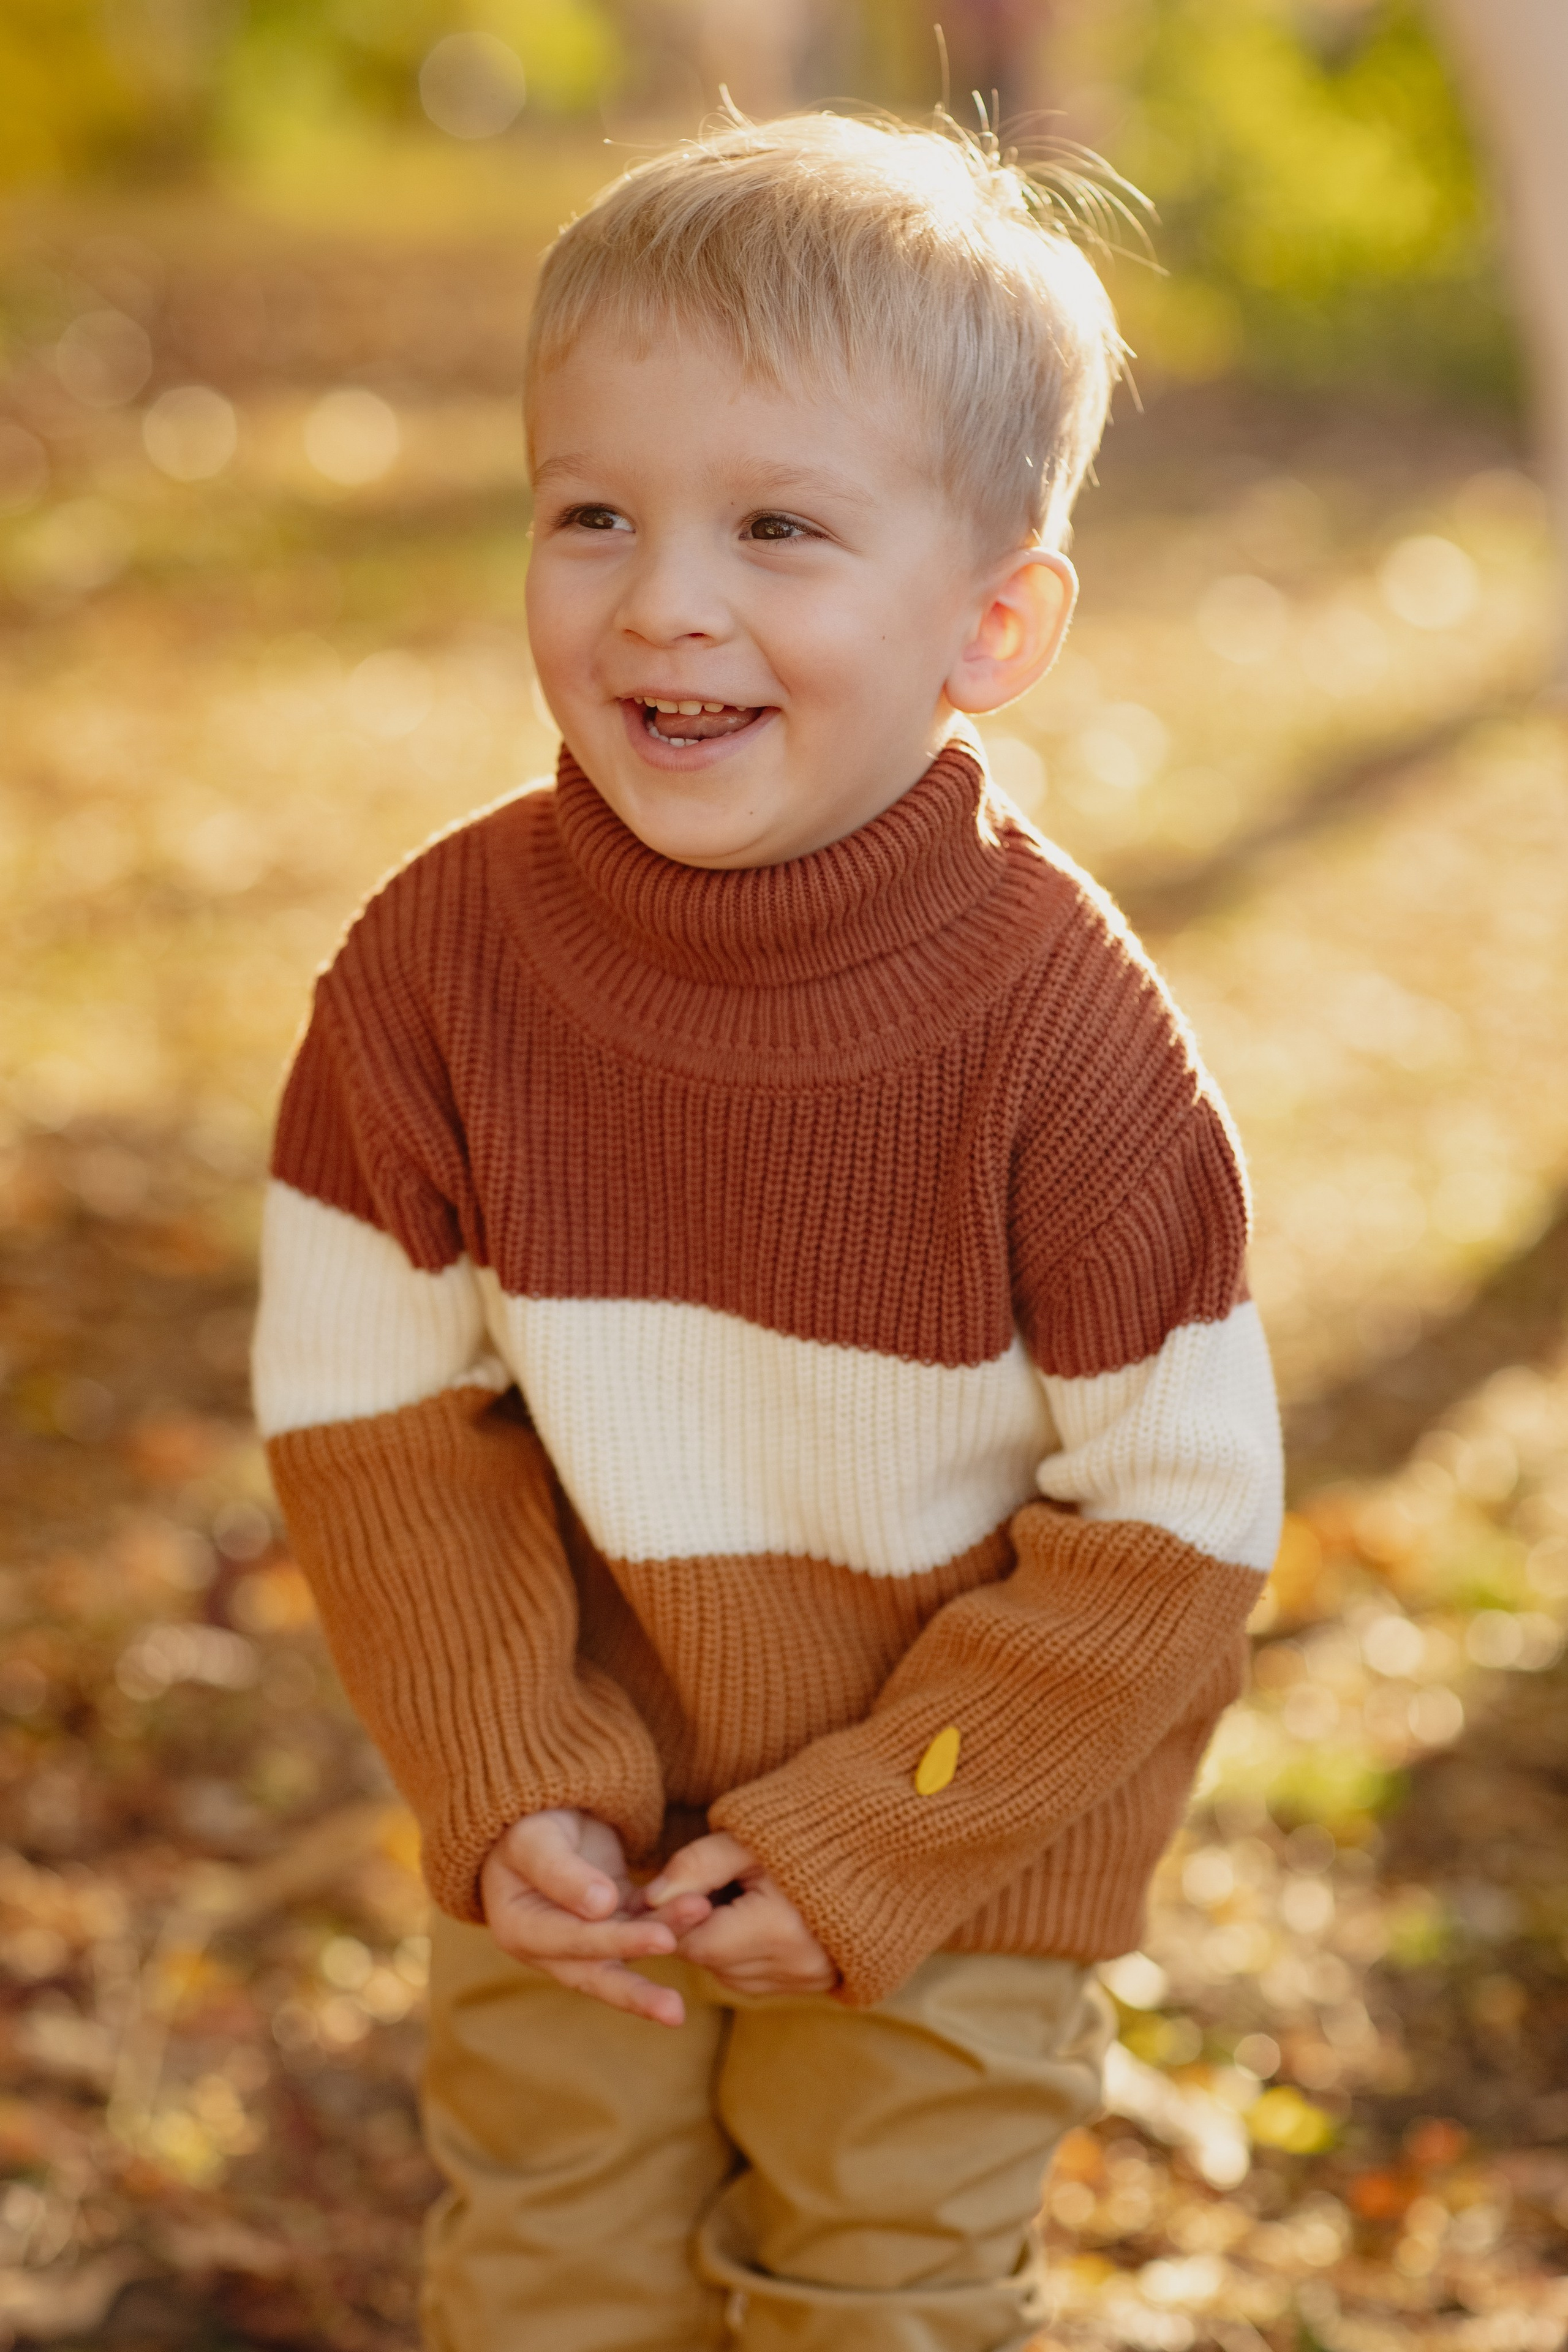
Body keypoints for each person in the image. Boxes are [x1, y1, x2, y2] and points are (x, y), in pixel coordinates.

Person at [252, 110, 1283, 2352]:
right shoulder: (430, 977)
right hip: (578, 1843)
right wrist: (510, 1768)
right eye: (593, 511)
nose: (663, 599)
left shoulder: (1068, 1042)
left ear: (993, 622)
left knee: (877, 2292)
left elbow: (1177, 1525)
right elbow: (376, 1420)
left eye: (780, 528)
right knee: (549, 2280)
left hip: (958, 1848)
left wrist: (882, 1831)